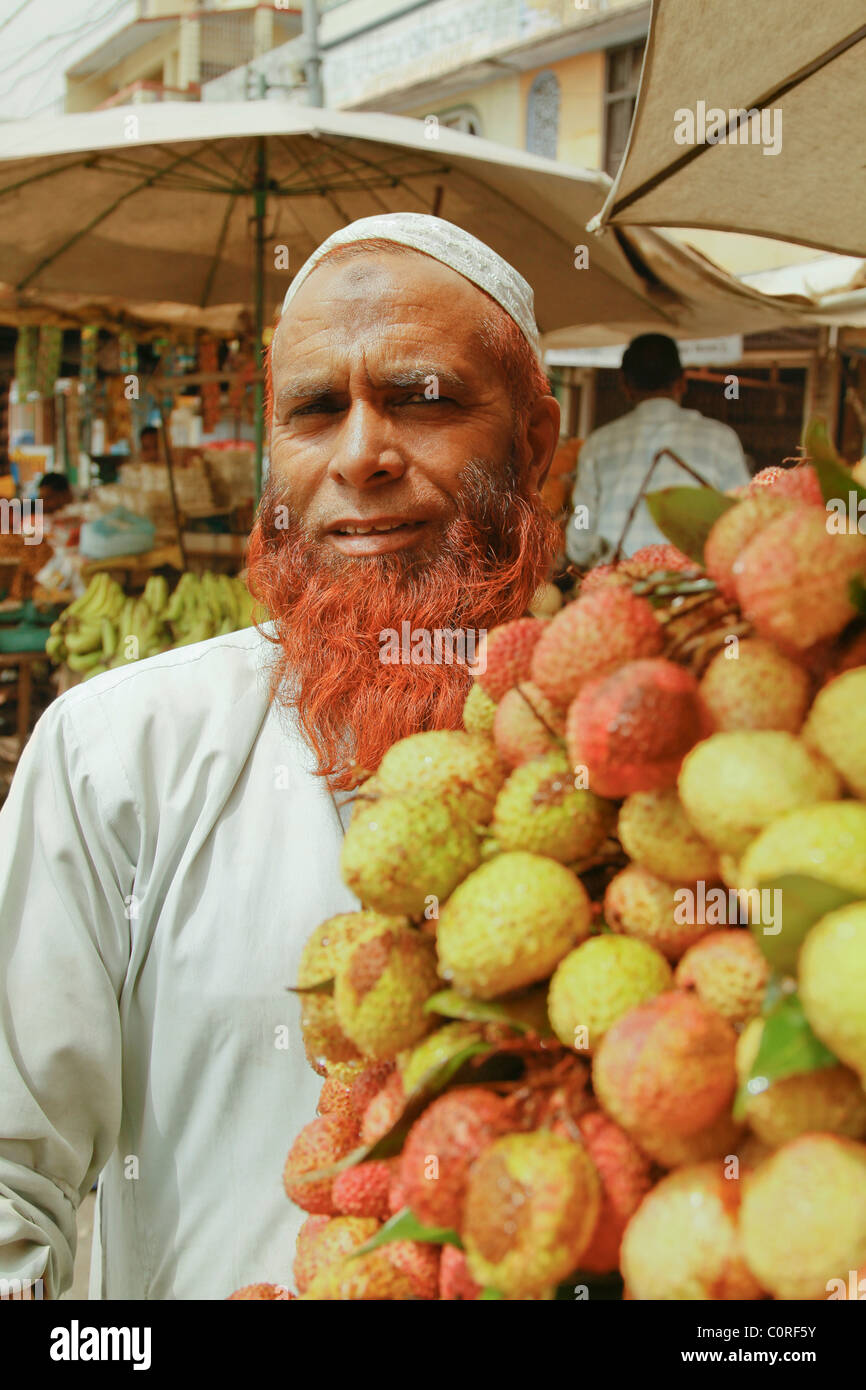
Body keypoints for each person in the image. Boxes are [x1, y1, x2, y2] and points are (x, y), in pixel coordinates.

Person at [0, 214, 560, 1300]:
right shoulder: (118, 754)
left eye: (420, 399)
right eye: (315, 411)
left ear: (533, 442)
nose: (362, 455)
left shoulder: (648, 770)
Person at [566, 334, 750, 567]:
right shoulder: (721, 440)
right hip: (695, 591)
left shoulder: (596, 445)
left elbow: (583, 519)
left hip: (615, 589)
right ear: (681, 382)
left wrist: (579, 549)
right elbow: (742, 517)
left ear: (625, 385)